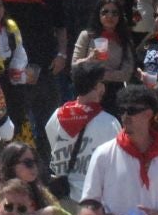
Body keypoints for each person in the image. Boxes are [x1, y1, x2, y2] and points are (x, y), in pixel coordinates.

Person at [80, 85, 158, 215]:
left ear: (148, 114)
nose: (125, 117)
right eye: (122, 111)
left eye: (131, 111)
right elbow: (89, 203)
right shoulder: (104, 154)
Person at [44, 60, 121, 201]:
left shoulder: (56, 115)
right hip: (94, 201)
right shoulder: (109, 123)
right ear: (98, 87)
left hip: (62, 196)